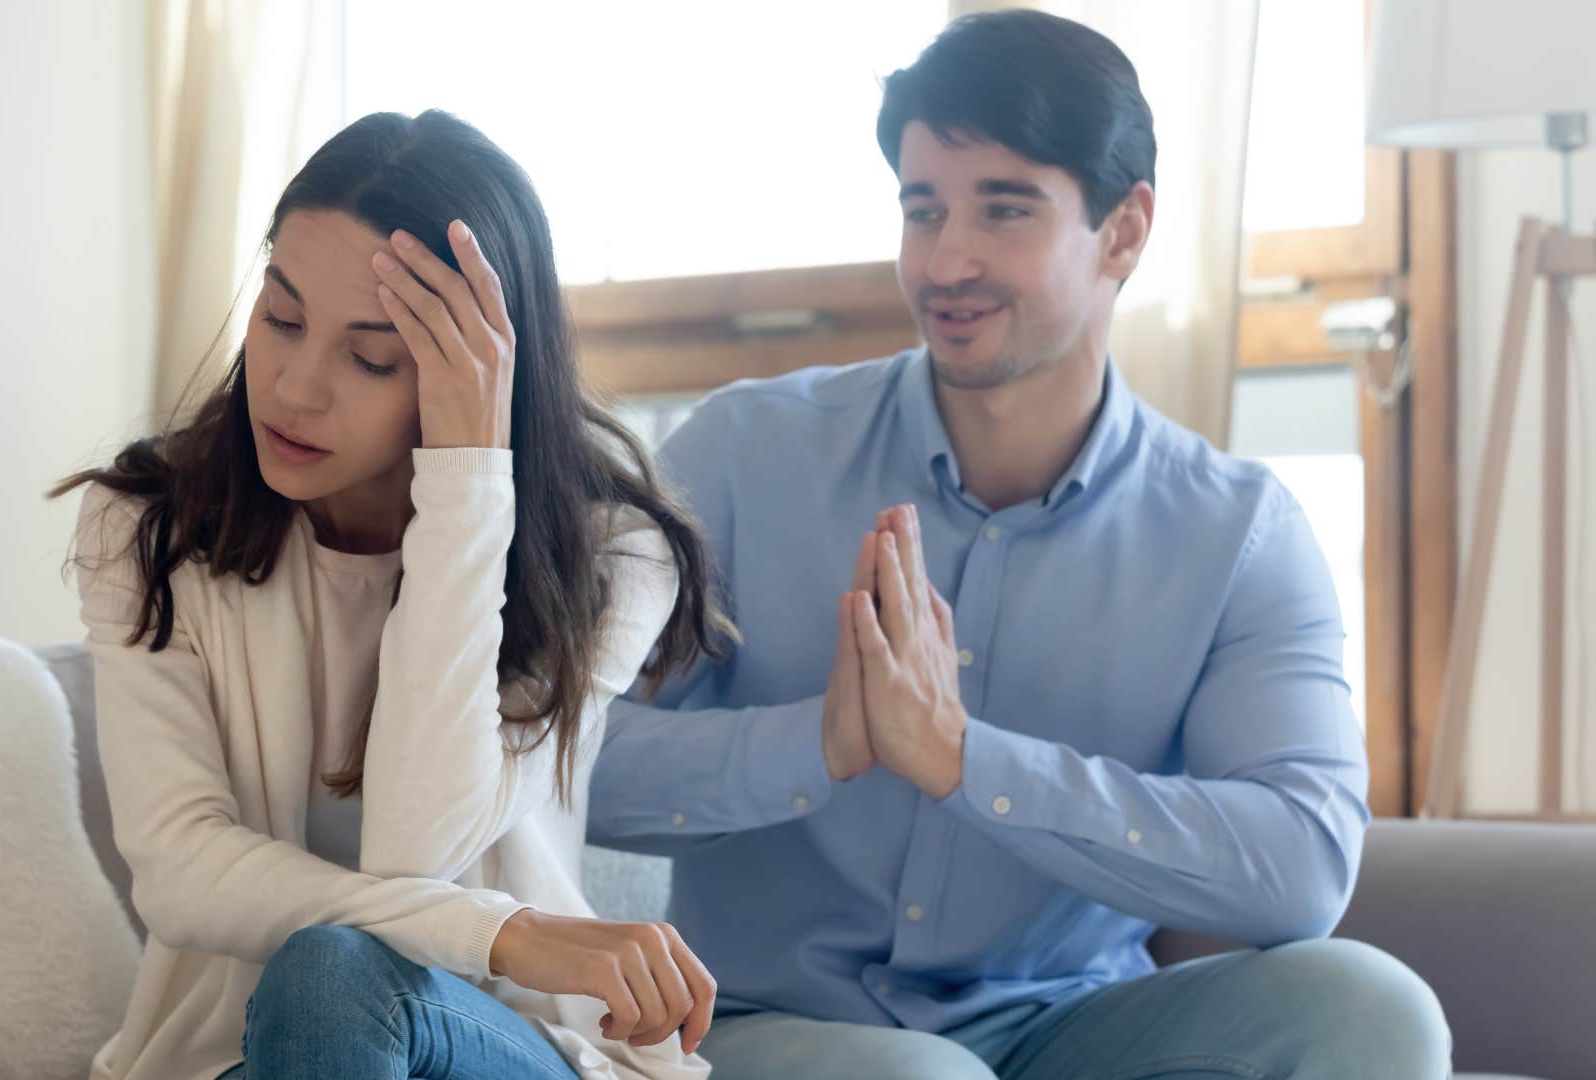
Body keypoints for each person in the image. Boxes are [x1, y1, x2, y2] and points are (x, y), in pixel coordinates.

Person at [586, 11, 1450, 1078]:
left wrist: (965, 762)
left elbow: (1300, 867)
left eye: (1004, 209)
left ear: (1124, 232)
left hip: (1072, 1026)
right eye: (923, 209)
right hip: (767, 1023)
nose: (948, 260)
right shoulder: (743, 452)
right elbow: (565, 762)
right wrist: (820, 746)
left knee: (1376, 1010)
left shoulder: (1236, 533)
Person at [57, 109, 728, 1080]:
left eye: (372, 358)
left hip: (515, 1049)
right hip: (236, 1062)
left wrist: (463, 479)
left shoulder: (611, 555)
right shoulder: (151, 529)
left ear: (486, 374)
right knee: (325, 985)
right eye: (280, 318)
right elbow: (180, 868)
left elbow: (421, 845)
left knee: (337, 973)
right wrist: (505, 933)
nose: (293, 387)